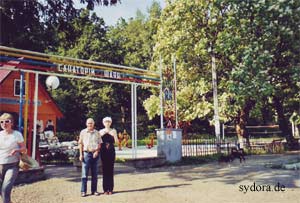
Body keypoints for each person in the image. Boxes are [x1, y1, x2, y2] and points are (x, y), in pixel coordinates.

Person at [0, 113, 26, 203]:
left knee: (6, 188)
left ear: (12, 123)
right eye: (1, 122)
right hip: (0, 165)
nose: (4, 123)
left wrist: (16, 150)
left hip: (12, 165)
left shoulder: (17, 134)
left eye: (7, 121)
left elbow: (24, 149)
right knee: (1, 190)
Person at [78, 118, 102, 197]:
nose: (90, 124)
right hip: (86, 154)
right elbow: (80, 144)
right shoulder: (83, 132)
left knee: (95, 174)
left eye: (91, 123)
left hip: (95, 154)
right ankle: (83, 191)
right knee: (84, 174)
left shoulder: (97, 132)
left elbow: (99, 143)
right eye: (88, 123)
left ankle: (94, 191)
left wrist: (97, 151)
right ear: (86, 124)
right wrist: (81, 155)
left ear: (93, 124)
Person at [99, 117, 118, 195]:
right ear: (103, 123)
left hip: (111, 152)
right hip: (103, 152)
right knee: (104, 170)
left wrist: (113, 135)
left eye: (109, 121)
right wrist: (102, 134)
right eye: (106, 121)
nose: (107, 123)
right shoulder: (100, 131)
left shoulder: (113, 130)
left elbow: (116, 142)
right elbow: (98, 142)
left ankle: (110, 189)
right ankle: (105, 189)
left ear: (111, 123)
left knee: (110, 170)